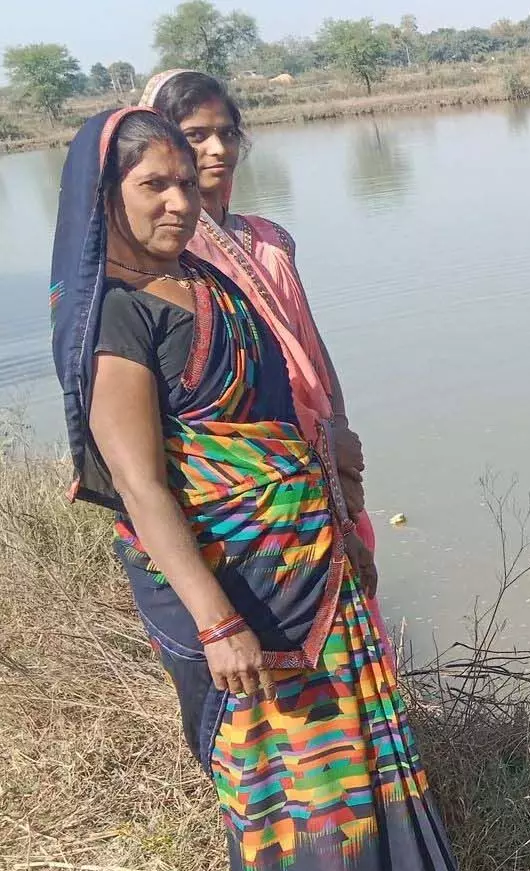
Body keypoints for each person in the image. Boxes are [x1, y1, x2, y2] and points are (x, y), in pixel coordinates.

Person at [49, 107, 461, 871]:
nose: (178, 202)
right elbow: (142, 484)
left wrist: (333, 477)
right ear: (103, 198)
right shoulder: (117, 321)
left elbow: (274, 419)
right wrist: (216, 618)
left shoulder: (215, 287)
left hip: (306, 565)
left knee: (344, 752)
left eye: (187, 182)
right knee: (282, 774)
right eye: (152, 185)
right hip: (233, 581)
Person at [138, 70, 387, 659]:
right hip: (240, 484)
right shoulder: (160, 257)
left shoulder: (269, 239)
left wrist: (338, 441)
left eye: (227, 133)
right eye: (196, 134)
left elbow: (312, 352)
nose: (218, 149)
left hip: (318, 455)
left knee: (352, 635)